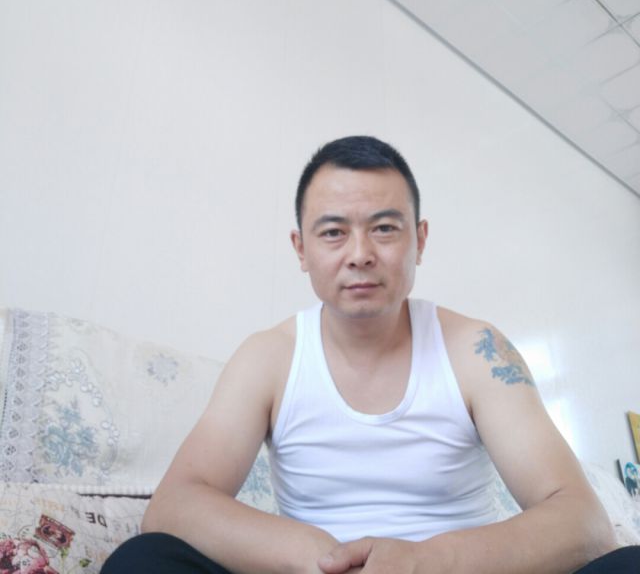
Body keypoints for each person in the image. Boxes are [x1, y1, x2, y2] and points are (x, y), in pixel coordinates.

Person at [102, 136, 637, 573]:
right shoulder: (268, 357)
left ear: (419, 241)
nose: (360, 254)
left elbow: (584, 523)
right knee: (143, 562)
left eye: (384, 229)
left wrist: (426, 562)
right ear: (301, 249)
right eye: (334, 232)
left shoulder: (478, 350)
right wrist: (317, 556)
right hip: (315, 571)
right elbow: (174, 505)